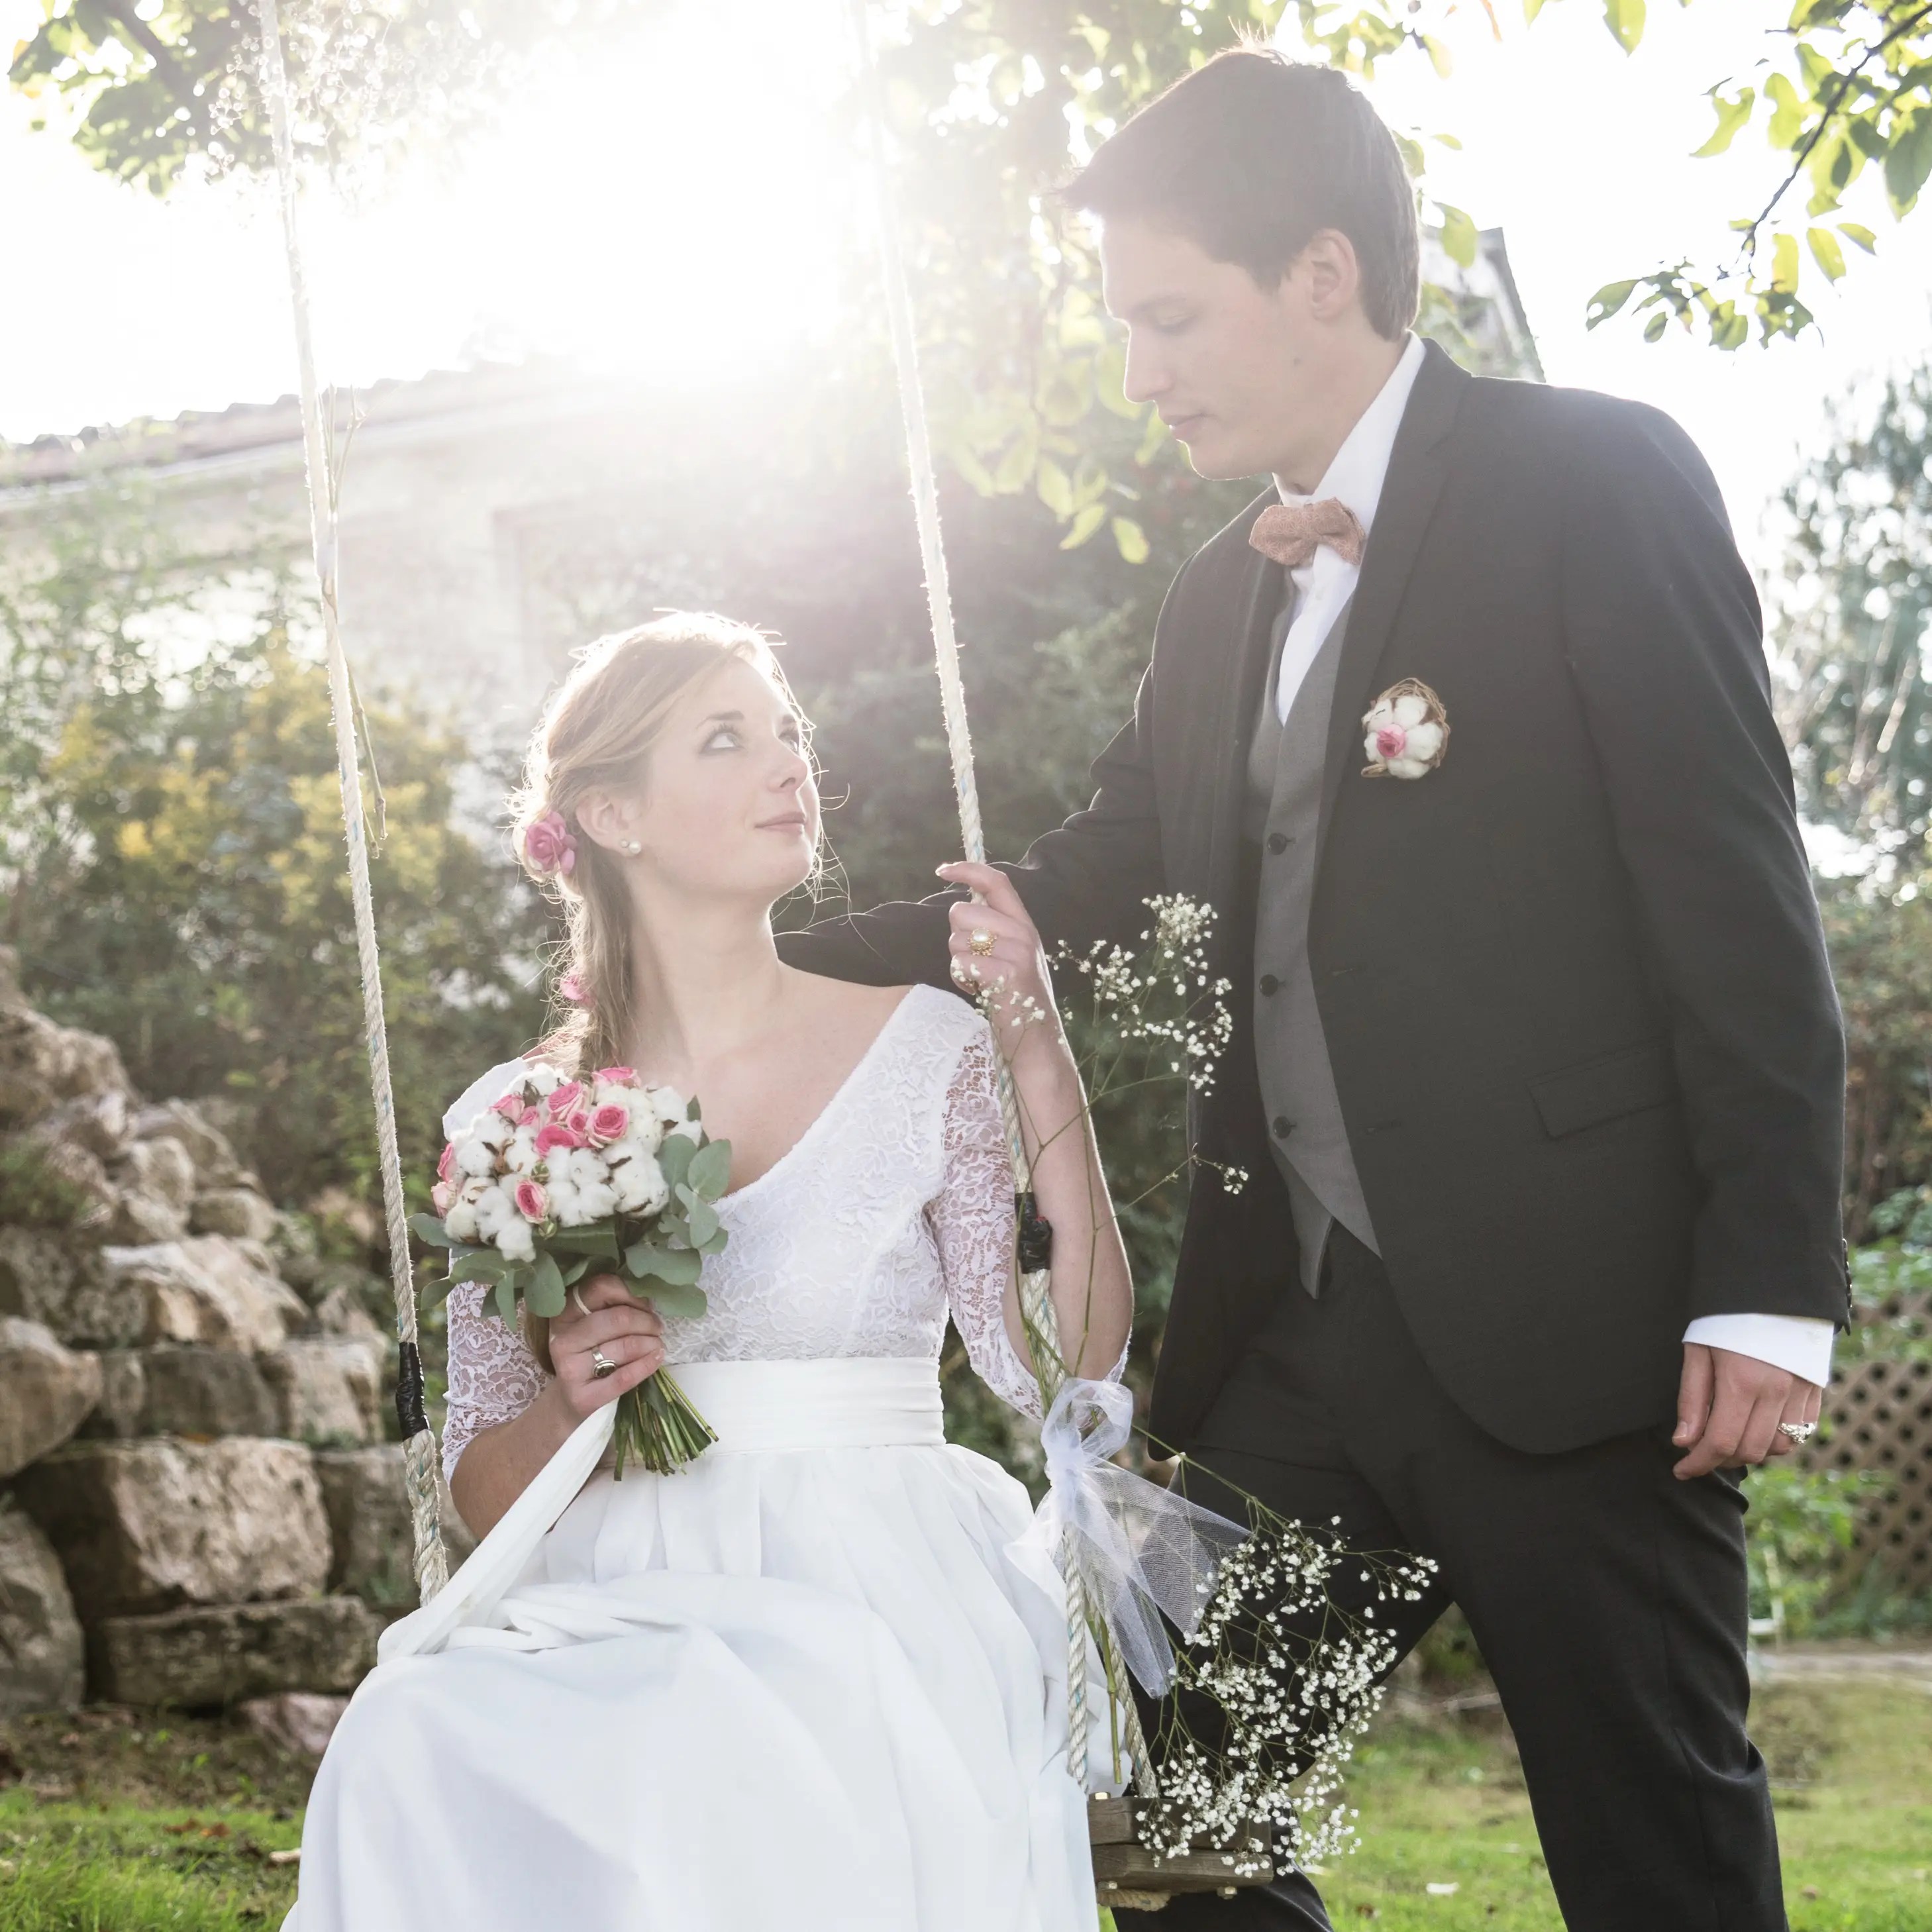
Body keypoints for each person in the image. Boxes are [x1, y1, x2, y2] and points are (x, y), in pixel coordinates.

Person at [782, 46, 1851, 1932]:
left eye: (1168, 314)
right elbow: (1082, 878)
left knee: (1654, 1852)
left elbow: (1732, 899)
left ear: (1324, 275)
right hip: (1299, 1335)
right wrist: (738, 953)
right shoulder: (1213, 599)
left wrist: (1765, 1281)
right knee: (1184, 1815)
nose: (1140, 369)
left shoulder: (1590, 480)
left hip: (1581, 1326)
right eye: (1125, 325)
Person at [283, 613, 1133, 1932]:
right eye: (727, 738)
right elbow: (476, 1496)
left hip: (872, 1579)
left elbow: (1059, 1363)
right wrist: (573, 1402)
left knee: (728, 1752)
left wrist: (1036, 1052)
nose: (790, 767)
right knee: (404, 1731)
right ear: (611, 814)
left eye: (786, 732)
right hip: (621, 1594)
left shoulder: (927, 1049)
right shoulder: (517, 1119)